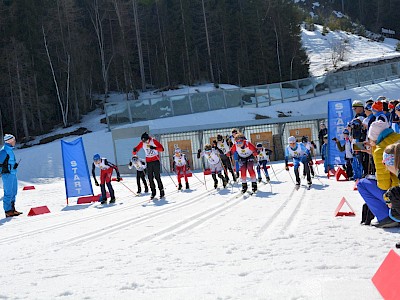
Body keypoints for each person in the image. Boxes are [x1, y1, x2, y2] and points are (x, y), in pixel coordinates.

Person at [357, 120, 400, 228]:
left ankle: (386, 217)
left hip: (397, 193)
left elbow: (384, 185)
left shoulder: (381, 150)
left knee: (362, 183)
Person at [133, 132, 165, 199]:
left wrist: (154, 148)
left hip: (155, 160)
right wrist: (134, 150)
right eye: (144, 141)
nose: (145, 143)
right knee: (150, 178)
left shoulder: (153, 141)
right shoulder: (142, 143)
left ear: (148, 139)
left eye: (146, 141)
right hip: (149, 162)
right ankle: (153, 192)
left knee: (157, 177)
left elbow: (162, 149)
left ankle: (161, 191)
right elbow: (137, 149)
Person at [0, 134, 22, 217]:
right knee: (8, 192)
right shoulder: (4, 151)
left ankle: (13, 209)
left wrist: (14, 166)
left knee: (14, 191)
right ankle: (8, 210)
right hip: (7, 174)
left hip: (13, 173)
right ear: (9, 141)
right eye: (14, 140)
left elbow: (10, 161)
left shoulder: (10, 150)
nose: (15, 141)